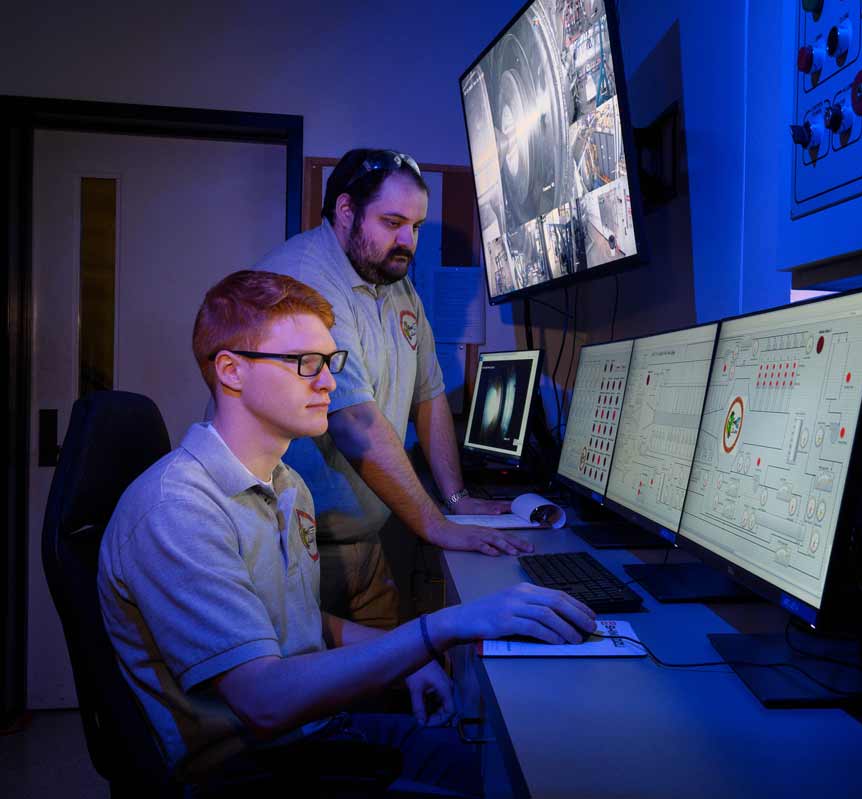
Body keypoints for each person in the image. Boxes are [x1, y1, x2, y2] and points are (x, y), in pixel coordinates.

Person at [97, 270, 595, 792]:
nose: (329, 383)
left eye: (331, 363)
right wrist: (442, 629)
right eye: (305, 364)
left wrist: (407, 658)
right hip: (249, 770)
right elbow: (264, 700)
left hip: (311, 734)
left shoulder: (284, 482)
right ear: (232, 371)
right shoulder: (177, 510)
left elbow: (295, 618)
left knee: (517, 767)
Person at [256, 149, 533, 628]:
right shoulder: (305, 281)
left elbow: (428, 393)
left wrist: (455, 499)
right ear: (346, 211)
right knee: (316, 691)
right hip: (293, 548)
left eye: (417, 226)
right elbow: (354, 421)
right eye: (392, 222)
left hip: (363, 546)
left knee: (405, 683)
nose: (408, 241)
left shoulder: (391, 278)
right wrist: (436, 525)